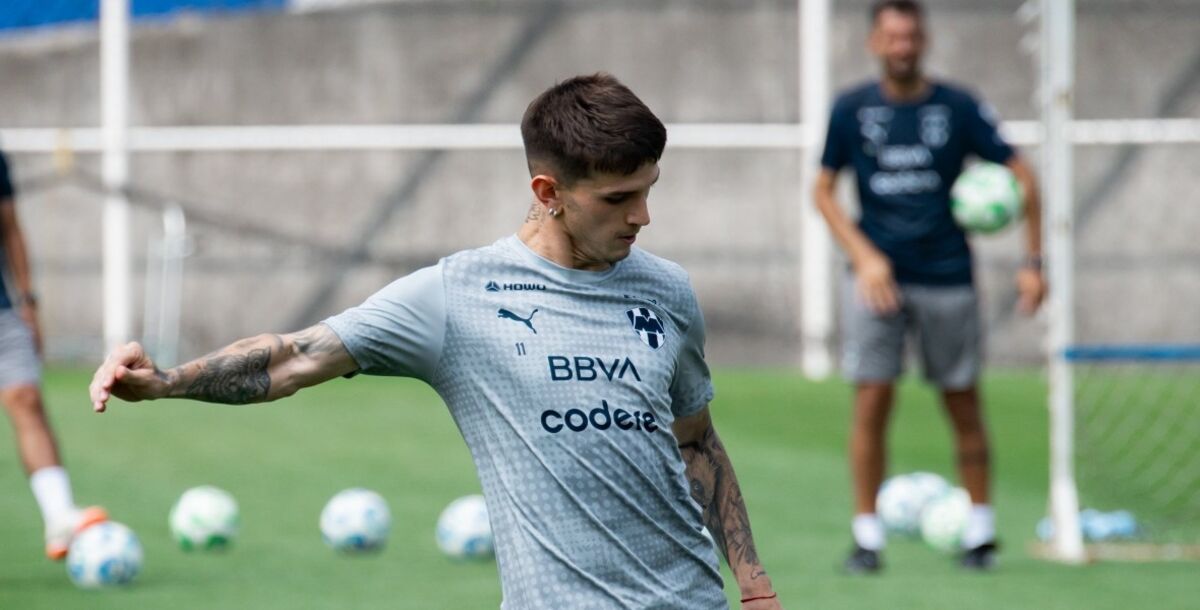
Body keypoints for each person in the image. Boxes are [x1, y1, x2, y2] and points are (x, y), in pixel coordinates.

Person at [90, 74, 782, 609]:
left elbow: (695, 440)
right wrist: (169, 382)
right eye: (617, 198)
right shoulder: (459, 296)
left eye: (648, 189)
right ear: (548, 190)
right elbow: (297, 357)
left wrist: (752, 583)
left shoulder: (667, 290)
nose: (643, 216)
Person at [813, 0, 1045, 572]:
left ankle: (982, 533)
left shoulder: (958, 106)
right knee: (872, 399)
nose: (903, 46)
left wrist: (1033, 260)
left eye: (911, 36)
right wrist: (865, 257)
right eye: (892, 36)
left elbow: (1023, 175)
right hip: (877, 283)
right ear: (874, 42)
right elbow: (822, 190)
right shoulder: (851, 109)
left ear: (925, 40)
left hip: (947, 274)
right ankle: (867, 539)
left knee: (962, 401)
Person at [0, 149, 108, 559]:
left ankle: (60, 516)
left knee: (26, 399)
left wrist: (28, 301)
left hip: (2, 311)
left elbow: (9, 225)